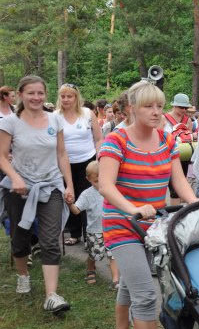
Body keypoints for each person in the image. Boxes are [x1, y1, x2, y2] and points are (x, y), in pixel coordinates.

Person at [98, 80, 199, 329]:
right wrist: (132, 208)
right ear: (131, 109)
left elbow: (178, 182)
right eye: (148, 106)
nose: (156, 112)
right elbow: (105, 185)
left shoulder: (167, 139)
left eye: (159, 105)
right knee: (145, 295)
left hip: (154, 224)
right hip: (122, 225)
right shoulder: (116, 141)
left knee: (131, 284)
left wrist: (196, 202)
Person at [0, 75, 75, 312]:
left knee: (51, 239)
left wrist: (69, 185)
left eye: (40, 93)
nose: (36, 97)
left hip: (50, 186)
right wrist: (15, 177)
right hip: (20, 188)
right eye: (30, 93)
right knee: (20, 240)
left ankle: (51, 295)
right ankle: (23, 275)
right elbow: (2, 156)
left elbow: (62, 154)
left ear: (45, 94)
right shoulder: (11, 122)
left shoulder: (55, 120)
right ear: (21, 95)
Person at [54, 83, 103, 246]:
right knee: (70, 197)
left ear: (76, 97)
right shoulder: (55, 116)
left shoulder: (87, 113)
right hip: (65, 163)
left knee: (88, 197)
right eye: (63, 96)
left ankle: (90, 234)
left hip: (87, 162)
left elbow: (98, 138)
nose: (66, 99)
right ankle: (74, 233)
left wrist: (99, 158)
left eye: (70, 96)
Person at [67, 160, 119, 287]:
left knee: (113, 255)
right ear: (88, 179)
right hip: (94, 231)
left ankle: (115, 280)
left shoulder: (112, 189)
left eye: (102, 179)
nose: (100, 183)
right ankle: (91, 268)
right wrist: (69, 203)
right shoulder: (86, 194)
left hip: (111, 229)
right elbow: (76, 210)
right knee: (94, 254)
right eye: (96, 181)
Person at [161, 93, 197, 205]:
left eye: (186, 107)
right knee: (173, 189)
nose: (184, 110)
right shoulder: (163, 119)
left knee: (180, 186)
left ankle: (176, 214)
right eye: (181, 107)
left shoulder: (188, 120)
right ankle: (173, 214)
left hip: (183, 156)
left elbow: (189, 137)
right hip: (168, 156)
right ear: (174, 106)